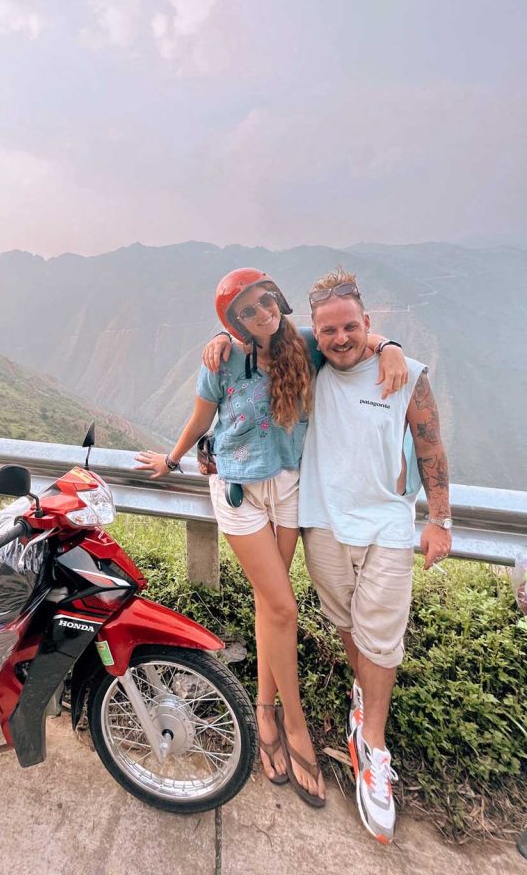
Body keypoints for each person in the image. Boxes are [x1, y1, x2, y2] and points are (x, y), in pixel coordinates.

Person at [135, 268, 408, 809]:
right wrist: (170, 458)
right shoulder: (223, 358)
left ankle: (263, 712)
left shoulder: (305, 344)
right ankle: (295, 724)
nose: (261, 314)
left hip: (289, 488)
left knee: (271, 607)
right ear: (232, 322)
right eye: (246, 312)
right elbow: (200, 417)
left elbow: (351, 335)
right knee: (283, 607)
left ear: (278, 299)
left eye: (265, 302)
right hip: (239, 493)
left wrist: (391, 346)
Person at [296, 268, 451, 844]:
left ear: (368, 322)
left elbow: (432, 445)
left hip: (387, 523)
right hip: (324, 522)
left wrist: (439, 519)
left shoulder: (404, 372)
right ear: (315, 332)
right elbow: (260, 345)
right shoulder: (308, 365)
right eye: (328, 330)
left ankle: (374, 749)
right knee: (348, 625)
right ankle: (363, 697)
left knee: (381, 636)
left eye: (352, 327)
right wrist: (220, 340)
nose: (341, 339)